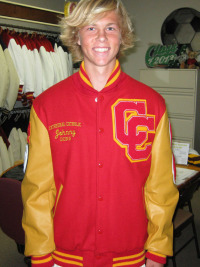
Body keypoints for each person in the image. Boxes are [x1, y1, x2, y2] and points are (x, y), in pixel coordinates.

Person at [21, 0, 179, 267]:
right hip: (64, 254)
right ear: (77, 37)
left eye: (111, 28)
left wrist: (157, 250)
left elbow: (160, 187)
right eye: (91, 28)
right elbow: (38, 189)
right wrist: (40, 253)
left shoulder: (153, 104)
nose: (102, 37)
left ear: (123, 36)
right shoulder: (47, 105)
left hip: (131, 253)